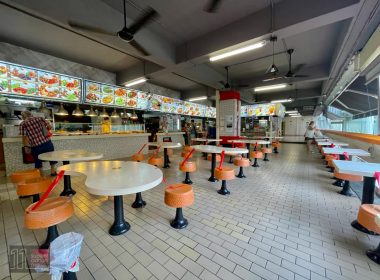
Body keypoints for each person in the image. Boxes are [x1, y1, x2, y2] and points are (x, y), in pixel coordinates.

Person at [20, 110, 57, 176]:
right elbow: (50, 127)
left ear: (23, 117)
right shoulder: (40, 118)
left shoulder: (22, 124)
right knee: (52, 157)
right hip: (47, 142)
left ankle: (41, 175)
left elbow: (25, 137)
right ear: (31, 114)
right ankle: (53, 171)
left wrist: (26, 146)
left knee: (38, 160)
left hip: (35, 145)